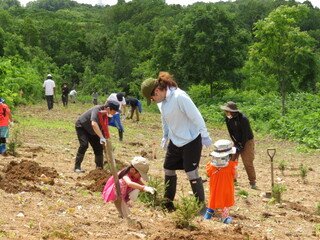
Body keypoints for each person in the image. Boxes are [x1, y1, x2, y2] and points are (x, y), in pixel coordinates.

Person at [141, 72, 212, 215]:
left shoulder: (180, 97)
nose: (153, 101)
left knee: (191, 173)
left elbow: (196, 116)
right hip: (175, 140)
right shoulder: (161, 102)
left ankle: (201, 207)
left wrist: (205, 135)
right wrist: (165, 136)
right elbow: (165, 119)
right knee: (168, 168)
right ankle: (168, 204)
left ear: (157, 91)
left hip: (191, 140)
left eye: (152, 98)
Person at [74, 100, 120, 173]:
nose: (115, 113)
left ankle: (99, 169)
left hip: (94, 131)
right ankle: (77, 167)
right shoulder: (97, 109)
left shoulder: (109, 116)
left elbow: (104, 127)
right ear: (108, 108)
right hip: (82, 126)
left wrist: (104, 139)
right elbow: (94, 124)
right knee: (84, 145)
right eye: (114, 111)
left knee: (99, 148)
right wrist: (101, 137)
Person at [220, 101, 257, 189]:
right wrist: (236, 143)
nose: (226, 112)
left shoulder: (243, 119)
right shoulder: (228, 119)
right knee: (231, 160)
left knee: (247, 162)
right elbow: (231, 132)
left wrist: (242, 145)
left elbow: (246, 134)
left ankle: (252, 182)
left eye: (227, 111)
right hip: (236, 141)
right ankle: (233, 179)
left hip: (247, 141)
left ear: (231, 111)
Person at [204, 139, 238, 224]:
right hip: (227, 188)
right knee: (225, 203)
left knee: (212, 200)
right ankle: (225, 218)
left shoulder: (211, 165)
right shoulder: (231, 165)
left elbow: (208, 173)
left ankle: (207, 217)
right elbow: (235, 176)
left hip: (215, 188)